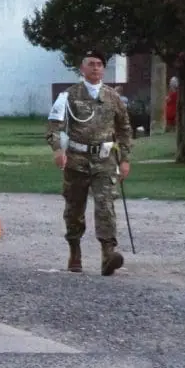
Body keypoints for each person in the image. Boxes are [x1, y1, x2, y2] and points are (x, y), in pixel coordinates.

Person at [46, 49, 132, 275]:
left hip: (104, 159)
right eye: (91, 64)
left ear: (103, 69)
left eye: (99, 64)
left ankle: (108, 254)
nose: (95, 68)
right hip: (76, 159)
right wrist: (57, 150)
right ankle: (75, 250)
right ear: (82, 69)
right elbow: (54, 127)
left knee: (106, 206)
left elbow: (124, 129)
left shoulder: (113, 97)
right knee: (74, 207)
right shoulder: (69, 95)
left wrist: (124, 159)